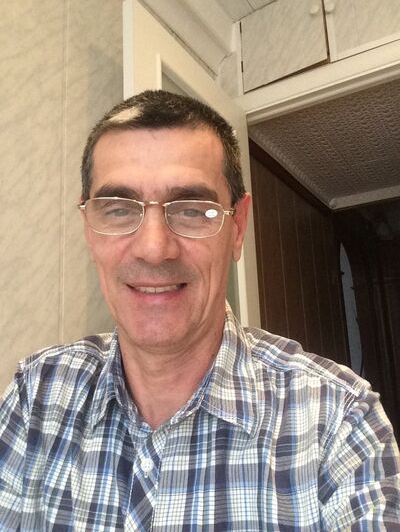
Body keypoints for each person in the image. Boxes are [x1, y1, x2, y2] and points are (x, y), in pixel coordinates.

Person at [0, 90, 399, 531]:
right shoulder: (36, 394)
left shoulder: (338, 420)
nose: (154, 249)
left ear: (237, 227)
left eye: (192, 210)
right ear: (89, 230)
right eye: (118, 209)